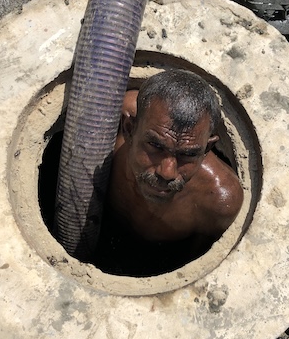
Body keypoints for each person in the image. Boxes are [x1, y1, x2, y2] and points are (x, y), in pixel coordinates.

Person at [95, 69, 244, 275]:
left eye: (188, 155)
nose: (167, 172)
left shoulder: (217, 201)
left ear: (207, 149)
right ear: (129, 129)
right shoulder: (113, 122)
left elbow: (194, 268)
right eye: (155, 146)